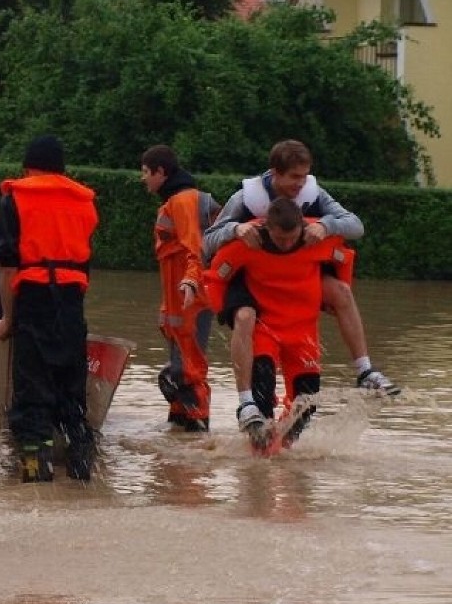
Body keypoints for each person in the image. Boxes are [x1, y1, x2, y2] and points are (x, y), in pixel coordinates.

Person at [203, 139, 400, 435]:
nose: (301, 183)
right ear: (275, 173)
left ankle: (365, 370)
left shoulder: (313, 193)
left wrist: (327, 226)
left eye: (304, 176)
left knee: (341, 292)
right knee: (245, 316)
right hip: (250, 271)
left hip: (299, 272)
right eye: (294, 177)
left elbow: (356, 225)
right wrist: (235, 228)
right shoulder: (246, 199)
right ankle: (247, 404)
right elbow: (207, 241)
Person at [0, 135, 99, 482]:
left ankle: (37, 479)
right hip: (71, 303)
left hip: (33, 300)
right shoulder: (84, 201)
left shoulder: (16, 198)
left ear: (27, 167)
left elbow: (7, 268)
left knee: (31, 395)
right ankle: (82, 475)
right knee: (71, 393)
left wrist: (8, 319)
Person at [205, 197, 356, 448]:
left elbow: (344, 259)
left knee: (307, 405)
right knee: (261, 403)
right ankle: (258, 467)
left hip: (303, 333)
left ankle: (281, 452)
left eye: (292, 238)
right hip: (264, 331)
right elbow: (216, 275)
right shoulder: (248, 243)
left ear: (302, 229)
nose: (286, 245)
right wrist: (227, 310)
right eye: (280, 239)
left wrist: (332, 297)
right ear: (268, 230)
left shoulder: (317, 238)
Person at [140, 145, 213, 433]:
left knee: (187, 372)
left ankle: (198, 437)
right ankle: (181, 442)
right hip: (180, 300)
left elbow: (195, 248)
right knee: (182, 371)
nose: (143, 178)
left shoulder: (183, 201)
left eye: (146, 172)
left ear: (161, 172)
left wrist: (192, 283)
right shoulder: (177, 200)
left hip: (189, 299)